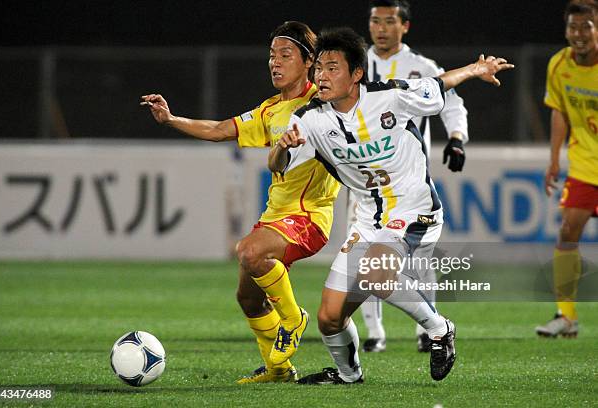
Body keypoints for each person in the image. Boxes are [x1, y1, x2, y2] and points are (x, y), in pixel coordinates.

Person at [269, 27, 513, 384]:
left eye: (333, 67)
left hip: (415, 210)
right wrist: (282, 148)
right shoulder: (309, 120)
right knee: (329, 317)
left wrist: (475, 70)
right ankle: (348, 375)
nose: (321, 75)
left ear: (356, 74)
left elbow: (438, 84)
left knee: (375, 272)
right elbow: (276, 167)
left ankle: (440, 329)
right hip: (368, 220)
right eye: (319, 67)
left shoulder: (390, 97)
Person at [141, 21, 341, 383]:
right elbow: (220, 129)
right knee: (248, 298)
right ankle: (279, 369)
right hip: (276, 216)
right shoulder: (269, 111)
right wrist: (171, 119)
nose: (274, 63)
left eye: (285, 55)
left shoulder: (324, 102)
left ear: (309, 61)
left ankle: (294, 320)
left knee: (249, 252)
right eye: (271, 56)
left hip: (310, 216)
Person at [357, 0, 470, 353]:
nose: (381, 28)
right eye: (375, 20)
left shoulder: (421, 67)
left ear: (405, 26)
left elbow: (451, 103)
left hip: (410, 180)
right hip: (365, 181)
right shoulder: (355, 63)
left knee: (419, 258)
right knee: (365, 254)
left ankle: (428, 329)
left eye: (389, 21)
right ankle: (375, 334)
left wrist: (456, 138)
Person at [536, 1, 598, 338]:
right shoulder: (559, 65)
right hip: (586, 165)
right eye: (573, 27)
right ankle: (566, 316)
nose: (578, 34)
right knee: (567, 232)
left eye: (586, 26)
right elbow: (558, 110)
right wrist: (555, 159)